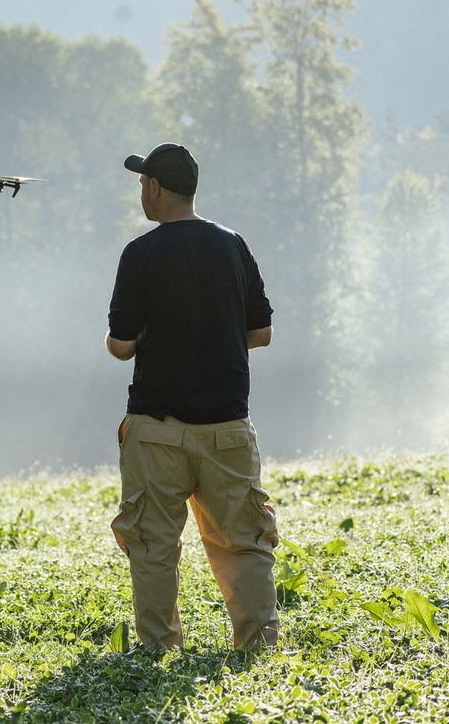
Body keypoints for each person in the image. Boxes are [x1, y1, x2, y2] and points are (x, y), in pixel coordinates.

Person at [105, 142, 279, 651]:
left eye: (142, 182)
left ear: (155, 188)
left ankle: (159, 650)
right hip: (227, 427)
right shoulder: (232, 244)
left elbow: (121, 346)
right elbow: (261, 331)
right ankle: (259, 650)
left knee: (154, 545)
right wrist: (215, 333)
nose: (141, 190)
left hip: (156, 430)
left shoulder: (140, 253)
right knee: (245, 544)